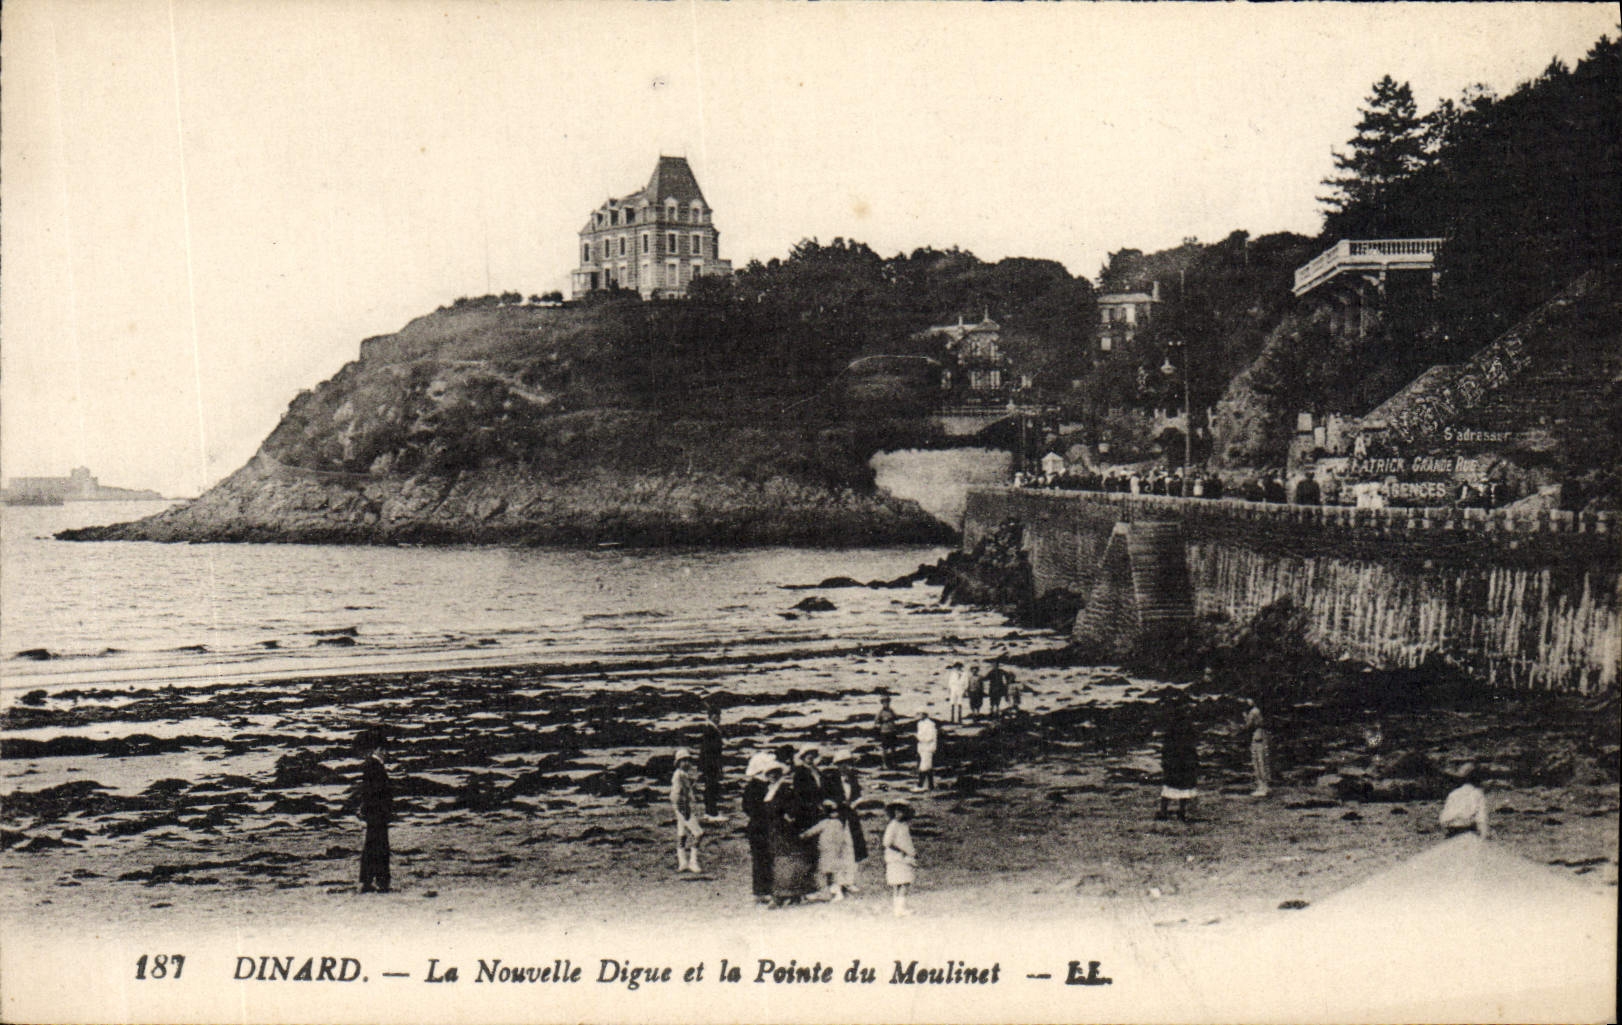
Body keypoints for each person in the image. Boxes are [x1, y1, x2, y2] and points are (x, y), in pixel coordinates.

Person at [766, 757, 817, 905]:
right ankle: (784, 893)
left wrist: (787, 816)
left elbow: (792, 807)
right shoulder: (768, 789)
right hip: (773, 829)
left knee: (786, 859)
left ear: (780, 773)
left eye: (775, 772)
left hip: (783, 828)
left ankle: (789, 894)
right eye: (770, 773)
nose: (773, 775)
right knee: (777, 859)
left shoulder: (784, 788)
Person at [742, 753, 786, 904]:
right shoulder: (757, 786)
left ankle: (763, 890)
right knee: (762, 858)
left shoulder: (758, 785)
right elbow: (751, 808)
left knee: (762, 858)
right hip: (760, 826)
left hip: (758, 826)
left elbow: (746, 808)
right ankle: (762, 891)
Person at [353, 730, 393, 894]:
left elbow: (367, 791)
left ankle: (369, 880)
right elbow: (373, 791)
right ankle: (379, 881)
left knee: (373, 845)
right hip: (377, 813)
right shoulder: (374, 766)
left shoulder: (371, 765)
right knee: (379, 846)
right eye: (384, 750)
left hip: (375, 812)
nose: (386, 753)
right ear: (378, 749)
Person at [1155, 691, 1199, 822]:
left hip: (1174, 759)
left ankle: (1164, 811)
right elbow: (1193, 742)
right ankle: (1181, 811)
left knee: (1169, 785)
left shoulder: (1171, 726)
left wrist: (1164, 759)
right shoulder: (1188, 726)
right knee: (1184, 785)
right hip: (1186, 759)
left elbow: (1166, 744)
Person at [823, 750, 869, 868]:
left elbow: (857, 795)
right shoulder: (830, 779)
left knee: (852, 841)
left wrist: (855, 803)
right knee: (837, 844)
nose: (848, 767)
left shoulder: (852, 779)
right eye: (845, 764)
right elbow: (825, 798)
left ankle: (852, 866)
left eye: (850, 763)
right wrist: (835, 805)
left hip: (850, 815)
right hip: (837, 815)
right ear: (839, 765)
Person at [802, 800, 854, 901]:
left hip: (826, 852)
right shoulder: (839, 823)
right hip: (836, 851)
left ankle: (829, 893)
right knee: (834, 872)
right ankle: (836, 892)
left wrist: (802, 835)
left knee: (824, 873)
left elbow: (810, 832)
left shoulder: (824, 823)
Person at [669, 747, 704, 873]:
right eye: (683, 761)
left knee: (682, 833)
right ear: (678, 763)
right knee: (698, 833)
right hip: (682, 807)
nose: (686, 763)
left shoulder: (681, 774)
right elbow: (678, 794)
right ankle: (693, 862)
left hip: (680, 807)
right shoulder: (680, 775)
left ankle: (682, 862)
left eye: (688, 760)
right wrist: (684, 809)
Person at [883, 800, 917, 917]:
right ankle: (899, 909)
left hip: (904, 857)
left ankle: (899, 909)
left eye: (901, 812)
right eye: (896, 811)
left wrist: (910, 852)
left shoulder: (904, 825)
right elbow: (887, 842)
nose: (898, 814)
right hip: (897, 858)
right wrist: (901, 851)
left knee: (902, 883)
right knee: (901, 883)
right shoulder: (892, 825)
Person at [1438, 764, 1490, 839]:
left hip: (1450, 832)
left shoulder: (1453, 793)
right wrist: (1483, 837)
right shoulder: (1478, 794)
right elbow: (1481, 819)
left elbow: (1443, 819)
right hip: (1467, 832)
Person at [698, 706, 725, 819]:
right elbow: (709, 750)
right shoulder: (710, 730)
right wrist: (716, 765)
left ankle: (709, 812)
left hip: (710, 763)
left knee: (711, 787)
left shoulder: (712, 729)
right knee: (712, 787)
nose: (718, 718)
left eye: (719, 716)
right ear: (710, 716)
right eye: (715, 716)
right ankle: (712, 813)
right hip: (711, 764)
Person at [1242, 697, 1270, 797]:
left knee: (1259, 762)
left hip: (1257, 736)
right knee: (1262, 761)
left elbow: (1248, 725)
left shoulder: (1253, 711)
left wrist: (1245, 717)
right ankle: (1264, 786)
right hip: (1261, 735)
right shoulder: (1257, 711)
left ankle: (1262, 787)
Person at [915, 710, 939, 792]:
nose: (918, 715)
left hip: (928, 747)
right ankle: (930, 785)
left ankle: (921, 785)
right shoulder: (920, 724)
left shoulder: (930, 724)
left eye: (919, 713)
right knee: (928, 766)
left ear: (924, 714)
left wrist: (920, 738)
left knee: (924, 766)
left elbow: (930, 737)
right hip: (922, 747)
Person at [875, 694, 900, 770]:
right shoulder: (880, 712)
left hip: (892, 731)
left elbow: (897, 717)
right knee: (885, 749)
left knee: (893, 748)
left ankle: (894, 763)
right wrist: (883, 721)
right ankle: (884, 764)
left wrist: (892, 718)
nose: (886, 704)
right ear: (882, 703)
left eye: (887, 702)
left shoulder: (891, 710)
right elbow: (876, 722)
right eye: (884, 702)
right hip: (884, 732)